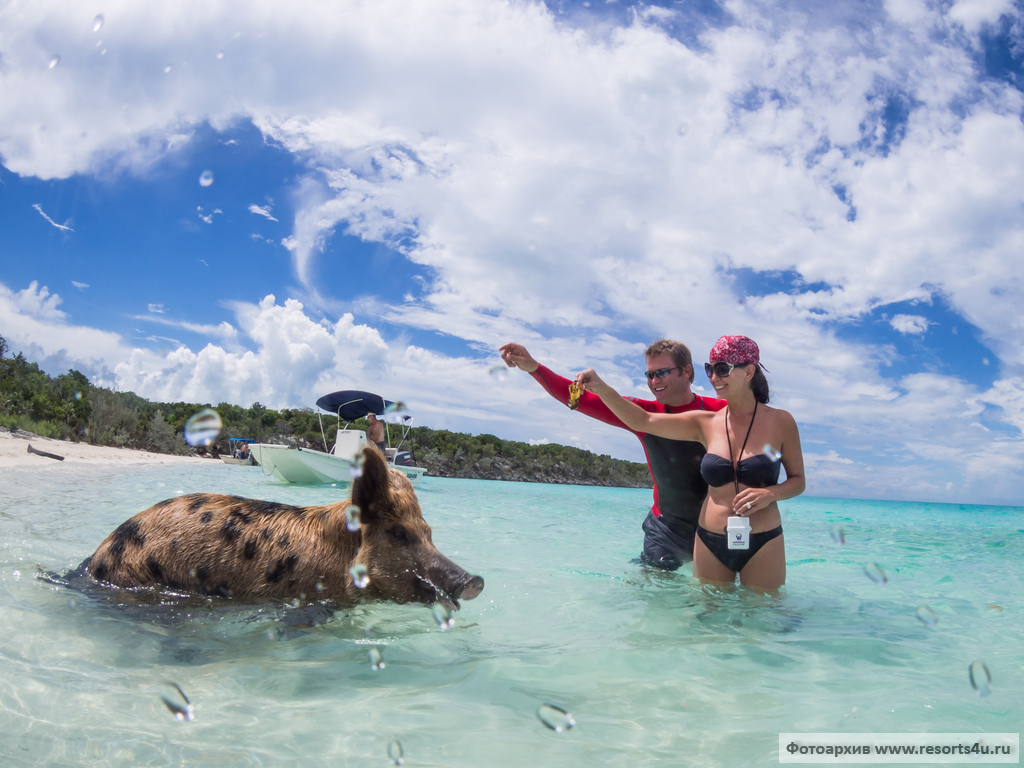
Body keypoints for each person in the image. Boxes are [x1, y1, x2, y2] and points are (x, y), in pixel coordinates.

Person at [574, 336, 805, 591]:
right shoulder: (705, 423)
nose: (713, 377)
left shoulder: (781, 422)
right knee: (708, 624)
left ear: (749, 371)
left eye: (722, 369)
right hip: (710, 541)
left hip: (764, 540)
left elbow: (798, 481)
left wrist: (769, 494)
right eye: (709, 369)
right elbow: (644, 421)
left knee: (762, 623)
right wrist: (603, 389)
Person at [499, 340, 727, 570]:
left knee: (719, 601)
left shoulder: (722, 412)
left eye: (662, 373)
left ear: (687, 371)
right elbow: (581, 400)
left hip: (715, 528)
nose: (654, 381)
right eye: (649, 374)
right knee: (658, 598)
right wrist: (535, 368)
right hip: (665, 531)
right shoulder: (640, 414)